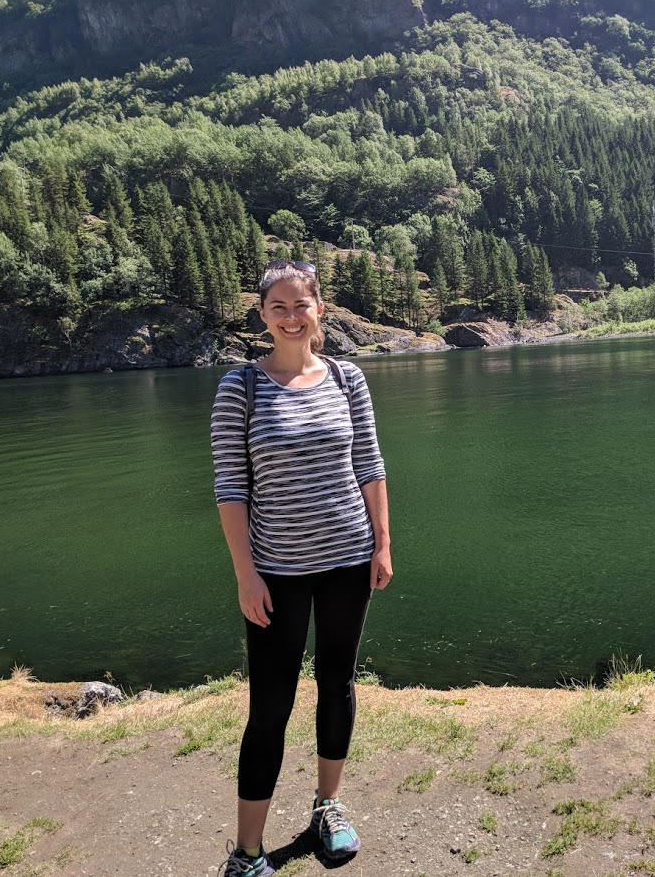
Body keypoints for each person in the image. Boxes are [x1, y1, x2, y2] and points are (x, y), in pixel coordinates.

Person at [211, 261, 392, 875]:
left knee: (337, 683)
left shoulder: (347, 378)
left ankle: (327, 806)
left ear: (321, 309)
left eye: (302, 304)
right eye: (278, 306)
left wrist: (382, 543)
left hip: (347, 558)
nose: (291, 316)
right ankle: (247, 850)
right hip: (276, 573)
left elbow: (369, 464)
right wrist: (246, 574)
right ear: (262, 315)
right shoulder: (240, 387)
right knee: (269, 706)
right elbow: (231, 487)